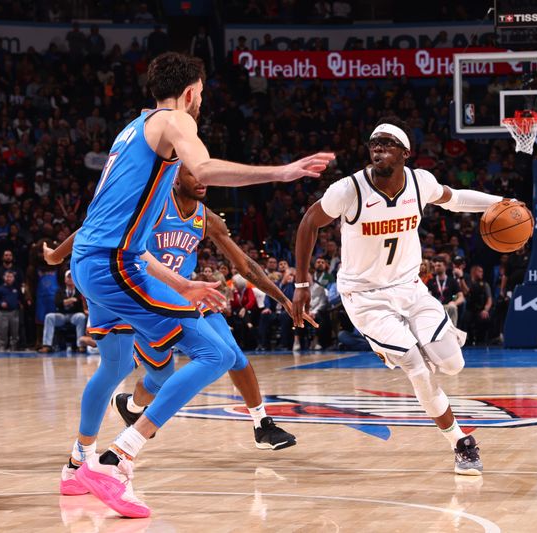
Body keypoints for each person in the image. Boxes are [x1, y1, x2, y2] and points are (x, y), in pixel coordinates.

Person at [61, 52, 333, 517]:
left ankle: (75, 464)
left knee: (113, 365)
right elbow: (204, 169)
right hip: (112, 266)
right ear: (190, 92)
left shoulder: (132, 130)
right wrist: (282, 172)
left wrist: (181, 286)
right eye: (201, 95)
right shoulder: (174, 120)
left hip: (100, 263)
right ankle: (116, 459)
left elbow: (138, 244)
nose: (200, 104)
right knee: (218, 354)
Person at [292, 116, 514, 476]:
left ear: (405, 153)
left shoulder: (420, 182)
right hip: (365, 297)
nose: (376, 148)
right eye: (373, 143)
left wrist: (502, 201)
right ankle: (460, 442)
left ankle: (404, 345)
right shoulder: (349, 190)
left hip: (410, 289)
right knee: (417, 367)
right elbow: (308, 224)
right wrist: (301, 286)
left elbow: (456, 200)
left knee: (453, 365)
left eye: (386, 143)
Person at [46, 165, 311, 462]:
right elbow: (97, 228)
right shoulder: (155, 204)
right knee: (161, 377)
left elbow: (244, 264)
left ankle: (262, 425)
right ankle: (132, 406)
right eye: (193, 174)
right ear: (175, 177)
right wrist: (57, 255)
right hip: (147, 300)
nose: (201, 180)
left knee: (231, 353)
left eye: (205, 174)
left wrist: (283, 299)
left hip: (189, 297)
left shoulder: (206, 218)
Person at [38, 270, 87, 353]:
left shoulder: (80, 291)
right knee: (49, 317)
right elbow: (57, 303)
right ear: (65, 280)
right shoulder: (59, 291)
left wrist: (66, 302)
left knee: (81, 317)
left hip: (74, 315)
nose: (70, 279)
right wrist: (69, 300)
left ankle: (80, 345)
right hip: (62, 315)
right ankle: (47, 345)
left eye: (72, 277)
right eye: (68, 277)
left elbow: (81, 305)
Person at [428, 256, 464, 327]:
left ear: (445, 266)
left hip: (448, 307)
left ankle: (453, 332)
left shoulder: (452, 281)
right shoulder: (431, 282)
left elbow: (461, 297)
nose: (436, 267)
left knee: (453, 308)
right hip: (435, 307)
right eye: (435, 266)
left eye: (439, 265)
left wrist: (454, 303)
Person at [0, 271, 21, 351]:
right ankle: (2, 346)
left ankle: (13, 346)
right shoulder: (0, 289)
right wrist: (0, 303)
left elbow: (20, 298)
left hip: (14, 312)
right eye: (7, 276)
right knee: (2, 330)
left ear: (13, 278)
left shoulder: (16, 289)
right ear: (4, 278)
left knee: (15, 331)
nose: (9, 278)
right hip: (3, 313)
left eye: (11, 277)